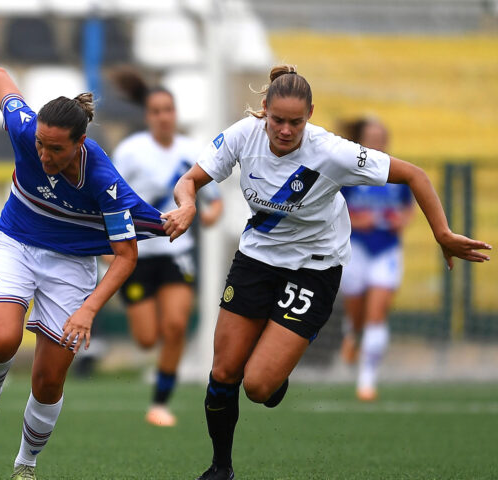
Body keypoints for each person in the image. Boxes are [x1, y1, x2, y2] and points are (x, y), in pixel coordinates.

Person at [161, 65, 492, 480]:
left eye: (295, 122)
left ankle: (275, 367)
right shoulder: (243, 135)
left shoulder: (332, 152)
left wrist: (442, 233)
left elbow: (414, 175)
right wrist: (188, 203)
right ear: (264, 109)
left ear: (311, 115)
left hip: (314, 268)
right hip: (257, 259)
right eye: (277, 120)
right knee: (224, 371)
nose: (284, 130)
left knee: (259, 386)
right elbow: (189, 180)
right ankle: (221, 467)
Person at [0, 57, 166, 480]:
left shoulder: (104, 180)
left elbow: (126, 257)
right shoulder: (26, 128)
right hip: (15, 241)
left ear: (80, 143)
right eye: (40, 146)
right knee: (0, 338)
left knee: (49, 380)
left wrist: (88, 311)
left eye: (56, 149)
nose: (44, 154)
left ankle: (25, 466)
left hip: (70, 265)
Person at [109, 70, 223, 427]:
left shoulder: (192, 152)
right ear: (148, 116)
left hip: (177, 252)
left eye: (168, 110)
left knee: (175, 326)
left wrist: (208, 216)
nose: (163, 116)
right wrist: (109, 245)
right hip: (137, 255)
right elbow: (108, 199)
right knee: (146, 340)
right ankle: (154, 368)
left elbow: (214, 200)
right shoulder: (130, 152)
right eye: (156, 111)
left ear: (175, 114)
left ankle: (160, 403)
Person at [337, 118, 414, 402]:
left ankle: (367, 380)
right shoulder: (348, 174)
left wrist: (401, 221)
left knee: (377, 315)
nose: (377, 142)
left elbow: (408, 208)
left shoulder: (396, 173)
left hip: (387, 250)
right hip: (356, 249)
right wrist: (358, 220)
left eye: (381, 136)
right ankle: (351, 333)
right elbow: (337, 212)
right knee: (357, 316)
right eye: (371, 137)